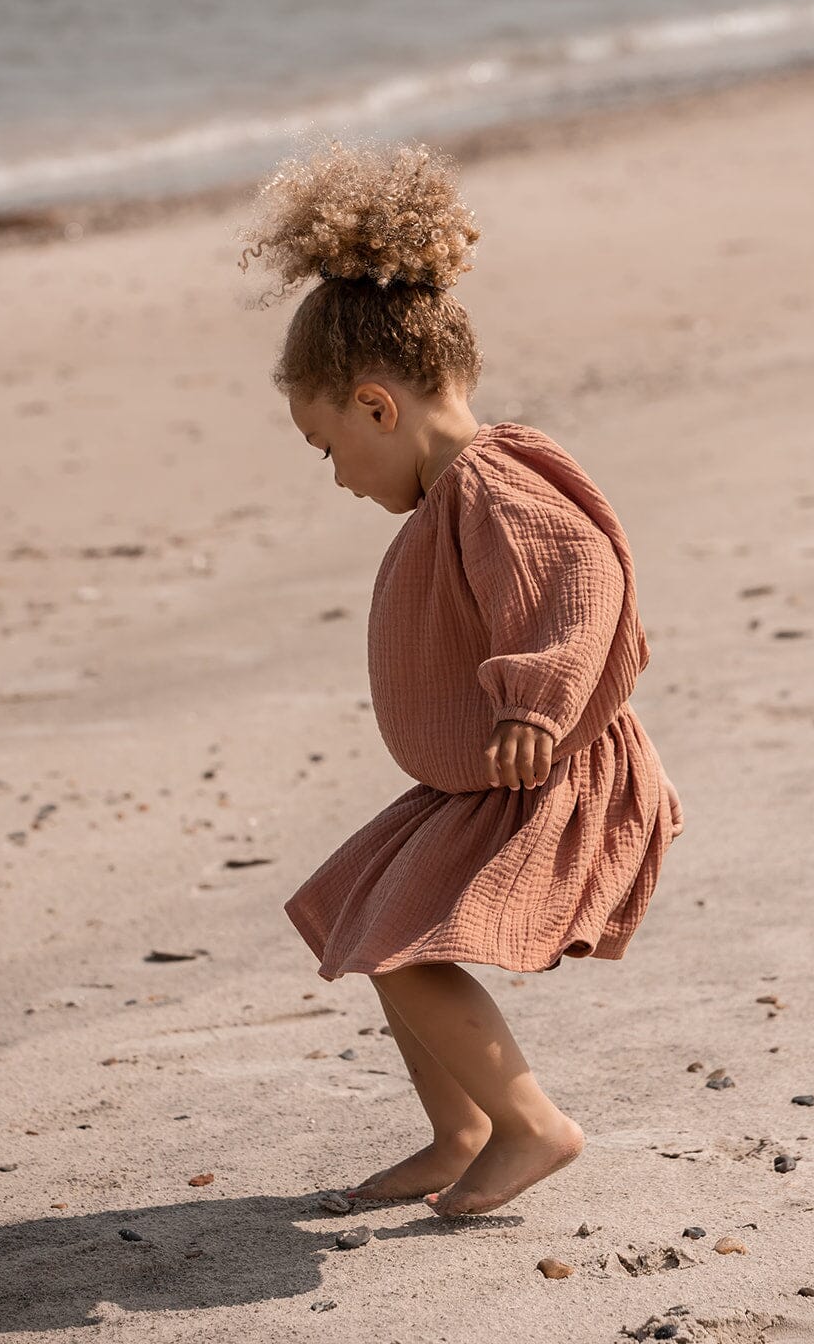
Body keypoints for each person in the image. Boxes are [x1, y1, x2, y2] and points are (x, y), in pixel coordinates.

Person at [236, 136, 684, 1220]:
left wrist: (535, 695)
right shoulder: (457, 488)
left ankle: (530, 1123)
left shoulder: (492, 486)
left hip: (542, 767)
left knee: (402, 945)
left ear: (376, 406)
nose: (335, 475)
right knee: (371, 914)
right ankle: (459, 1131)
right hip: (484, 777)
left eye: (325, 444)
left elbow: (574, 581)